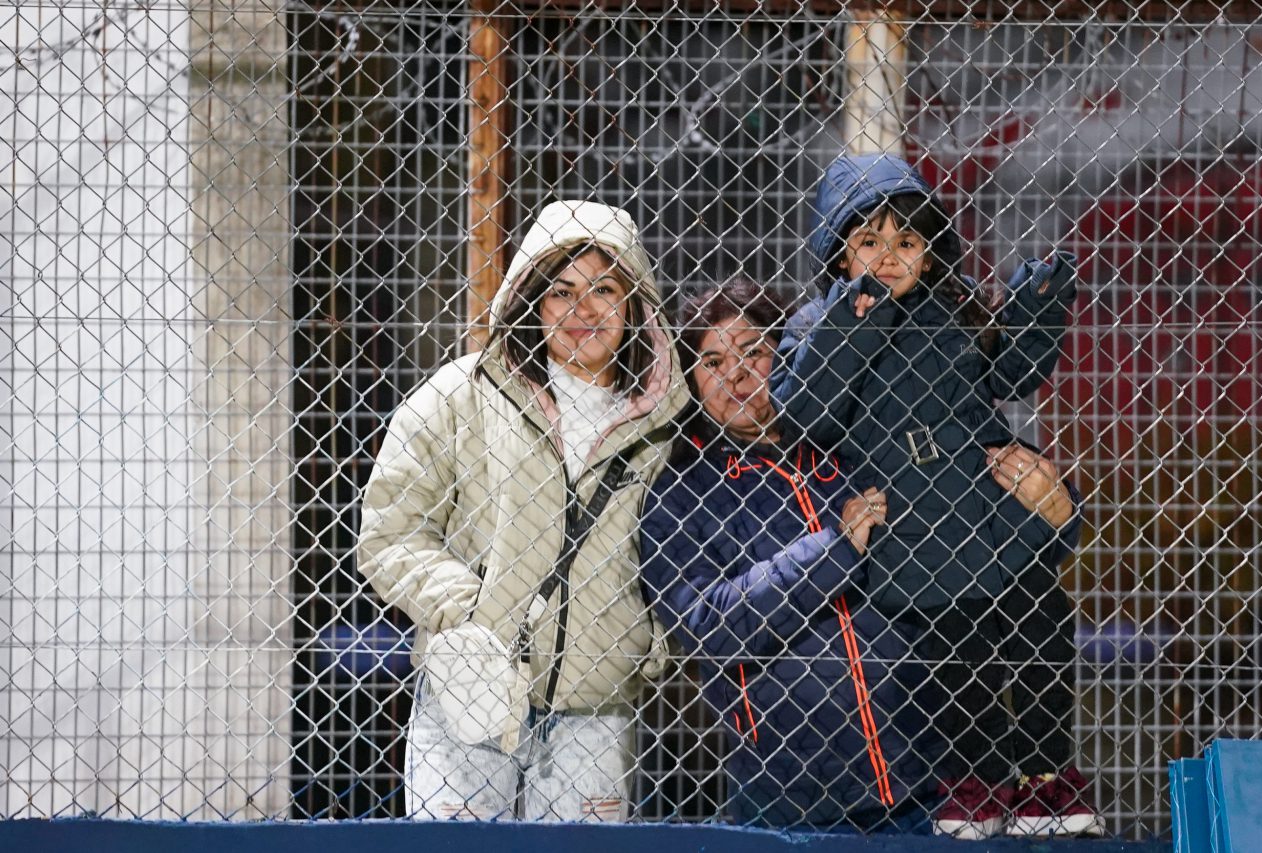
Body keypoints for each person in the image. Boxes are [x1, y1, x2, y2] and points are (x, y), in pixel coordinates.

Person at [639, 279, 1081, 834]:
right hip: (791, 797)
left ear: (793, 354)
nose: (738, 374)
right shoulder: (683, 492)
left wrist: (1059, 514)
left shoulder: (860, 439)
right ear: (690, 380)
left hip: (933, 776)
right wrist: (834, 549)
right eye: (712, 362)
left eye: (754, 350)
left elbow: (974, 518)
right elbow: (708, 623)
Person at [770, 152, 1104, 839]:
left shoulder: (953, 307)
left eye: (907, 241)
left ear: (930, 251)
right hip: (915, 536)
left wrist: (1038, 308)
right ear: (839, 254)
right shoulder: (816, 325)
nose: (889, 257)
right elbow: (808, 413)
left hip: (990, 511)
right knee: (961, 665)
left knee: (1042, 633)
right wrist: (855, 320)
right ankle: (976, 782)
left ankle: (1047, 777)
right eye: (869, 241)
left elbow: (1011, 373)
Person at [358, 201, 688, 821]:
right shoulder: (458, 396)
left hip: (595, 708)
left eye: (604, 289)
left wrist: (646, 643)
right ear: (530, 301)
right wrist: (470, 615)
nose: (584, 310)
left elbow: (691, 548)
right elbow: (389, 532)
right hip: (468, 698)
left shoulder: (665, 423)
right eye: (561, 291)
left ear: (635, 303)